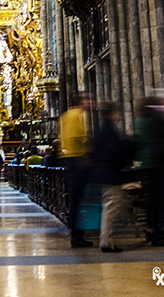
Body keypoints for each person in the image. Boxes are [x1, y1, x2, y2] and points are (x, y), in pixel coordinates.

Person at [135, 92, 164, 248]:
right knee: (161, 202)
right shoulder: (157, 118)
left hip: (149, 165)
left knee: (153, 202)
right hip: (159, 165)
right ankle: (159, 235)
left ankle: (151, 230)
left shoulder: (142, 120)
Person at [93, 101, 129, 253]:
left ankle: (107, 239)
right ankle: (106, 241)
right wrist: (123, 161)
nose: (119, 115)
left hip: (106, 173)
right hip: (110, 173)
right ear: (111, 113)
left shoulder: (103, 127)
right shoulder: (108, 129)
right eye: (116, 112)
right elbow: (113, 151)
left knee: (112, 205)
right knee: (111, 207)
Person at [59, 92, 94, 248]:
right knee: (77, 199)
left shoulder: (66, 115)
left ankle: (78, 231)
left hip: (70, 159)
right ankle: (76, 234)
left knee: (76, 199)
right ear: (80, 102)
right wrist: (84, 157)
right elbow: (76, 138)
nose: (90, 102)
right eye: (87, 100)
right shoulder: (77, 115)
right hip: (76, 160)